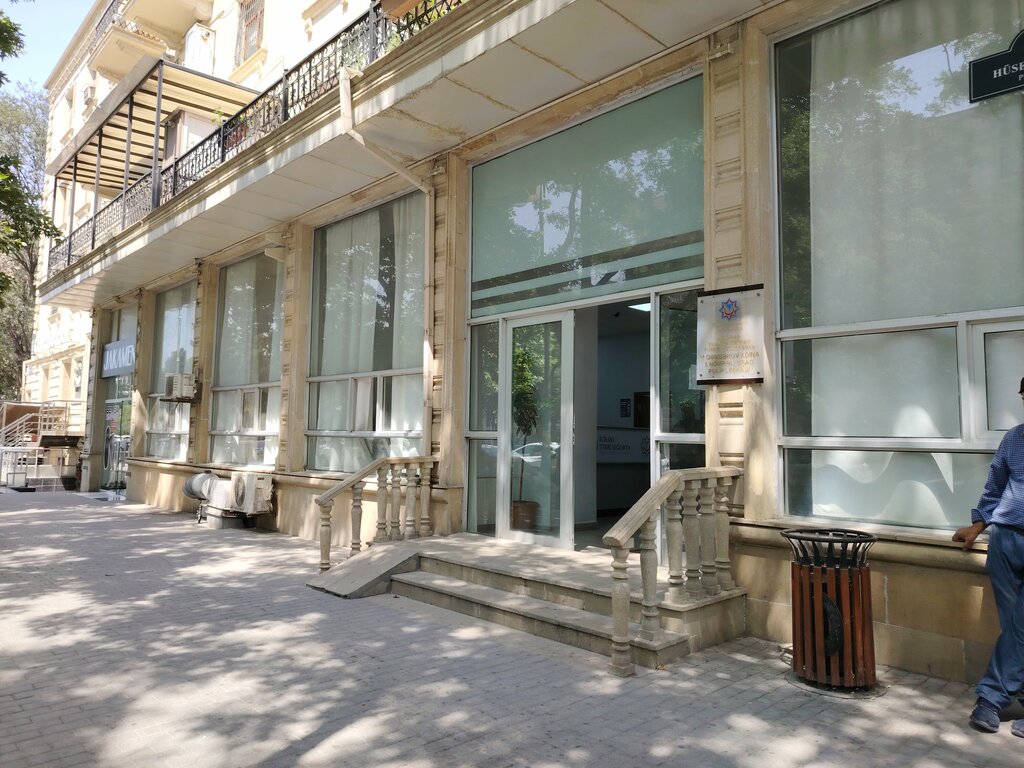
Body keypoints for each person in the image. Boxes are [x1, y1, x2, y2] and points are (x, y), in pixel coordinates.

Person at [954, 376, 1024, 736]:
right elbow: (995, 486)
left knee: (1021, 625)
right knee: (1014, 624)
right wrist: (978, 525)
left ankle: (991, 698)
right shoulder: (1014, 438)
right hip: (1006, 540)